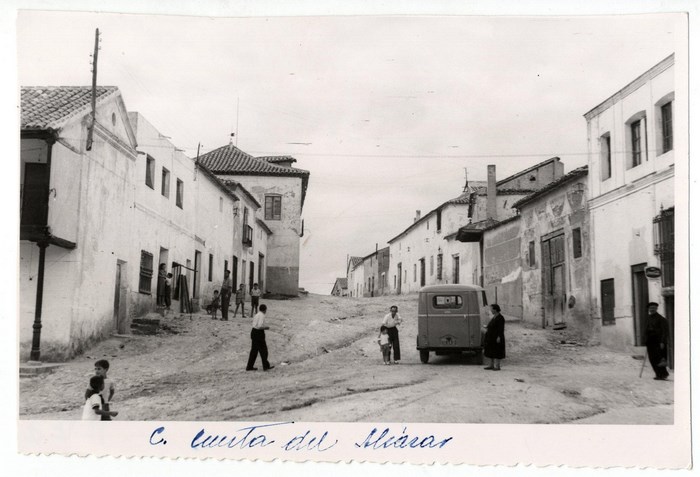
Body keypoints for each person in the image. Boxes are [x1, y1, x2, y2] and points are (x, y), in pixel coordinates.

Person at [645, 302, 670, 381]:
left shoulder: (661, 319)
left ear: (656, 309)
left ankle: (663, 374)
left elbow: (664, 331)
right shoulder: (648, 318)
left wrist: (662, 342)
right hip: (650, 341)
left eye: (653, 308)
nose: (652, 309)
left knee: (659, 358)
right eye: (650, 308)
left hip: (658, 342)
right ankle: (658, 374)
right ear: (648, 309)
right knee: (652, 358)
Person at [246, 304, 274, 371]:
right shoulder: (262, 315)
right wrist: (266, 327)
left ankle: (249, 367)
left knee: (254, 351)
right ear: (264, 310)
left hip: (253, 332)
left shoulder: (257, 314)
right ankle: (266, 366)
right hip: (259, 333)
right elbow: (259, 326)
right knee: (264, 351)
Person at [483, 304, 506, 371]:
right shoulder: (494, 317)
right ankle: (491, 365)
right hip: (491, 337)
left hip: (497, 337)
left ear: (495, 309)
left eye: (492, 309)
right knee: (491, 350)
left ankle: (497, 366)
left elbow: (501, 328)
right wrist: (487, 327)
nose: (491, 310)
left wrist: (499, 337)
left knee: (497, 351)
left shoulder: (500, 318)